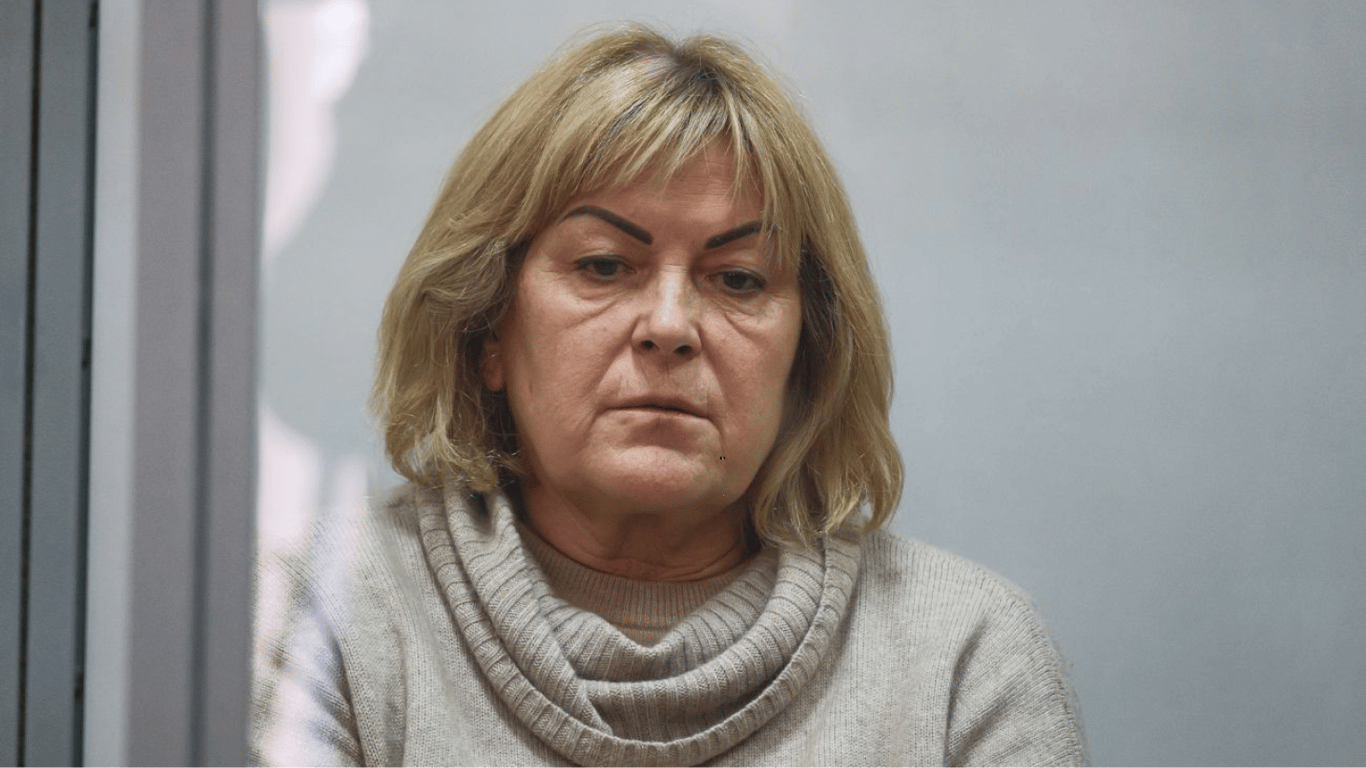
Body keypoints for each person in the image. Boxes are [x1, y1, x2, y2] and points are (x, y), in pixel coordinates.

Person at [251, 24, 1088, 767]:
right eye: (604, 266)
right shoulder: (316, 618)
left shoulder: (963, 660)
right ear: (488, 330)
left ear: (807, 356)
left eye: (738, 278)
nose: (669, 325)